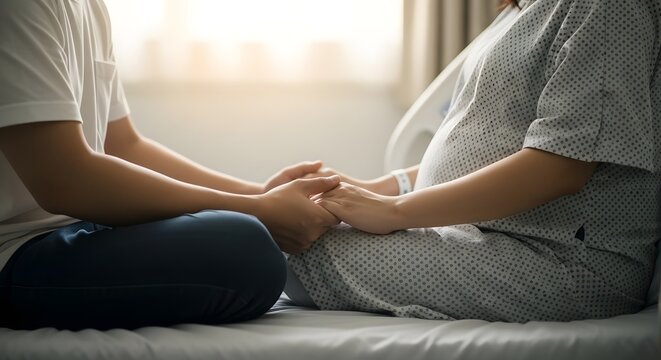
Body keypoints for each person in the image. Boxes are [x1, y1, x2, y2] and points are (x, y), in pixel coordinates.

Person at [286, 0, 661, 322]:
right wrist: (383, 189)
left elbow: (561, 165)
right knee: (298, 226)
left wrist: (395, 210)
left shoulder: (607, 7)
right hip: (490, 232)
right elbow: (492, 143)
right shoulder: (523, 10)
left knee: (299, 246)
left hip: (565, 260)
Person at [0, 0, 340, 330]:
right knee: (245, 249)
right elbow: (64, 179)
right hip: (15, 252)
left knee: (238, 230)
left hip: (80, 226)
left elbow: (123, 146)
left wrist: (261, 195)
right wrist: (256, 210)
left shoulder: (91, 7)